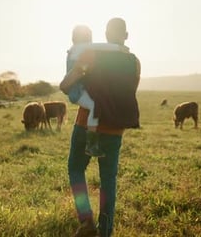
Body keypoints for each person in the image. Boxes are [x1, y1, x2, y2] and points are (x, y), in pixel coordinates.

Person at [60, 17, 141, 237]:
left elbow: (67, 85)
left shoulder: (92, 55)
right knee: (108, 183)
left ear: (105, 35)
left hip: (87, 124)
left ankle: (86, 221)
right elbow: (126, 94)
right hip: (115, 129)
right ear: (125, 36)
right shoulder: (134, 62)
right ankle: (106, 233)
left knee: (76, 168)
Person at [66, 25, 123, 157]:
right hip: (77, 91)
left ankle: (93, 141)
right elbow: (103, 47)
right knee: (95, 106)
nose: (91, 42)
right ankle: (91, 144)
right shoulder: (79, 49)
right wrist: (119, 48)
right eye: (89, 39)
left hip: (78, 89)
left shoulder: (75, 50)